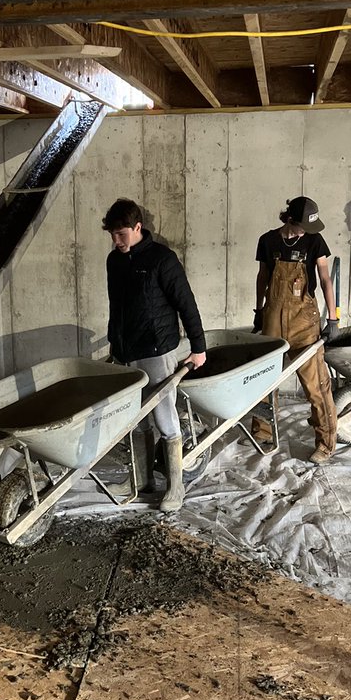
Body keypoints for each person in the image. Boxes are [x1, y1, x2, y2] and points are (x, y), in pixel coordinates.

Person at [103, 199, 206, 512]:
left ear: (137, 228)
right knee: (135, 418)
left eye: (121, 234)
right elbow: (116, 306)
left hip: (156, 349)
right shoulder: (113, 261)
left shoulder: (162, 259)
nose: (116, 240)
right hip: (126, 350)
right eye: (112, 235)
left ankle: (176, 485)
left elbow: (185, 303)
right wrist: (114, 344)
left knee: (163, 415)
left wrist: (199, 347)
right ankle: (142, 480)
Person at [253, 196, 337, 464]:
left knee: (316, 385)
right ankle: (263, 431)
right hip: (272, 318)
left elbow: (324, 278)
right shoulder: (268, 241)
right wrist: (259, 311)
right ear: (290, 219)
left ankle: (325, 442)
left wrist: (333, 318)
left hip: (304, 320)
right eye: (304, 226)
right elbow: (263, 277)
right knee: (265, 378)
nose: (308, 232)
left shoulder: (314, 242)